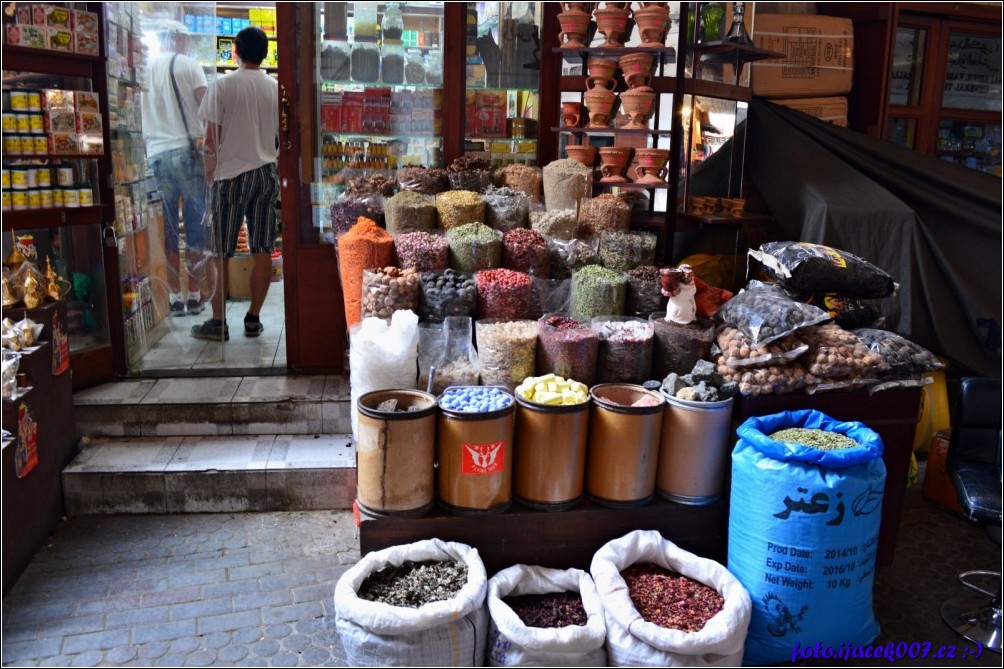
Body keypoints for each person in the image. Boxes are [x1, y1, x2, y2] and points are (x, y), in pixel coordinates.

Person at [193, 26, 279, 341]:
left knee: (220, 252)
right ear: (265, 54)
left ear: (235, 52)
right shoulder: (274, 87)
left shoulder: (223, 85)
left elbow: (210, 141)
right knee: (263, 249)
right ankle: (253, 319)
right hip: (266, 173)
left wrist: (207, 177)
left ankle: (218, 322)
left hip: (230, 176)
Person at [142, 20, 209, 317]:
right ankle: (194, 293)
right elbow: (206, 105)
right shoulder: (188, 65)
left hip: (155, 154)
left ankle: (172, 296)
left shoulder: (144, 69)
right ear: (178, 39)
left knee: (168, 229)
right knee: (195, 224)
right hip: (185, 150)